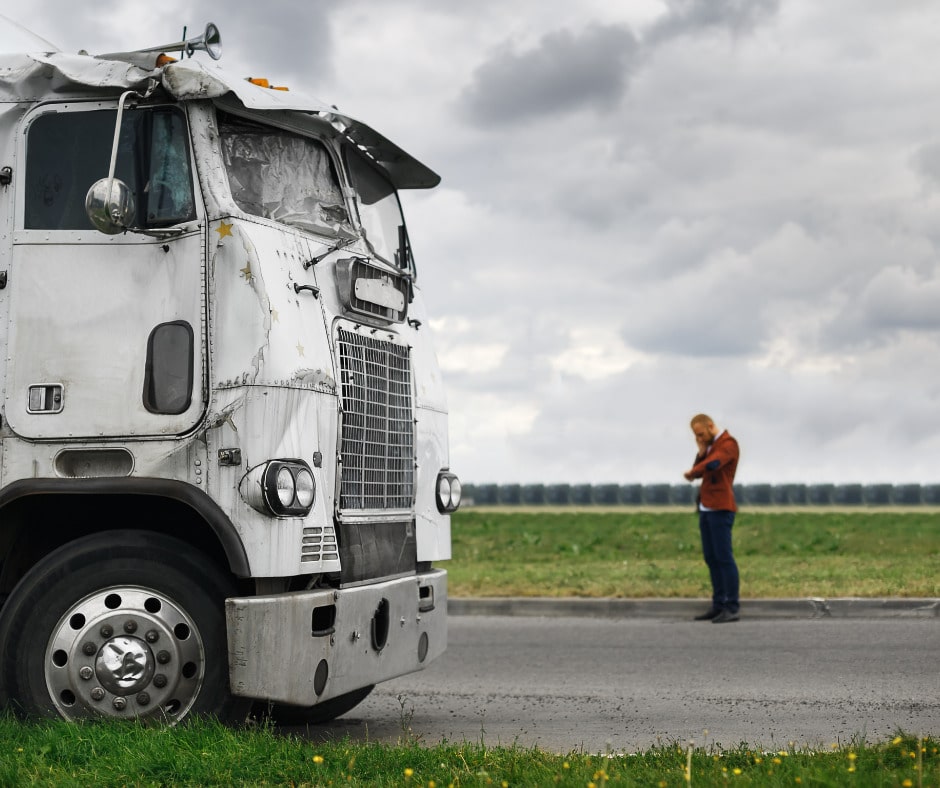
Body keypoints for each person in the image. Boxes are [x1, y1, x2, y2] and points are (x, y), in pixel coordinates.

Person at [683, 414, 740, 623]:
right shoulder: (708, 447)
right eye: (696, 436)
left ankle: (732, 606)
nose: (699, 438)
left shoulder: (728, 444)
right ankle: (718, 605)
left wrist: (693, 471)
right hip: (706, 508)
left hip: (721, 508)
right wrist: (700, 452)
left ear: (710, 426)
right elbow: (703, 466)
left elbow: (714, 464)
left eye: (700, 434)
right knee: (711, 558)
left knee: (724, 558)